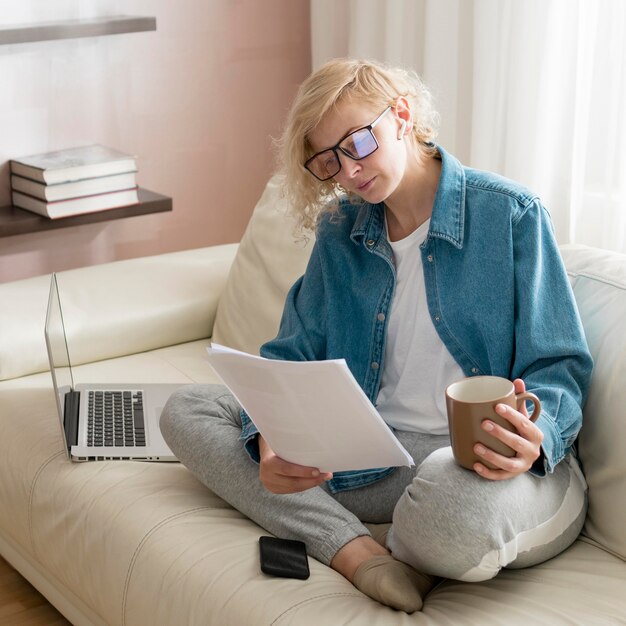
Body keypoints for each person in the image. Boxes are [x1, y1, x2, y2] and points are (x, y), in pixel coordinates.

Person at [160, 58, 593, 613]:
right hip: (373, 458)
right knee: (190, 409)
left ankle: (381, 533)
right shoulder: (341, 233)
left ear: (403, 116)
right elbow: (289, 357)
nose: (348, 171)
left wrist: (537, 436)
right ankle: (356, 550)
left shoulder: (510, 215)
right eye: (328, 160)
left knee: (454, 503)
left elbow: (559, 363)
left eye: (357, 142)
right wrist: (272, 437)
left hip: (486, 467)